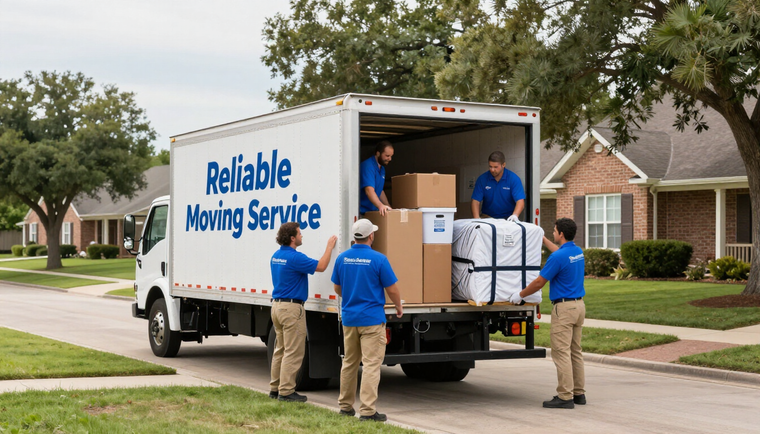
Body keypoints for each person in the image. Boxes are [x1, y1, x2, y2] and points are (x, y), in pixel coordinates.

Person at [332, 219, 403, 421]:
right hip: (371, 319)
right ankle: (367, 411)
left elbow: (337, 288)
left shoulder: (342, 258)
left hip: (349, 319)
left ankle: (345, 407)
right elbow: (392, 289)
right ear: (371, 236)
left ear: (355, 237)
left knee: (349, 363)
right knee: (371, 365)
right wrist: (398, 306)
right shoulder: (379, 259)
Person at [510, 218, 586, 409]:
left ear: (561, 234)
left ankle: (565, 397)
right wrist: (542, 238)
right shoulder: (577, 252)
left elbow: (539, 282)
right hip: (579, 307)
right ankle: (579, 394)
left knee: (561, 353)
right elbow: (559, 253)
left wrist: (519, 295)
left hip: (564, 309)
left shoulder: (558, 258)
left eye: (554, 231)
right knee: (575, 352)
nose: (553, 233)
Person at [269, 222, 337, 403]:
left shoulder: (276, 256)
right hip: (291, 309)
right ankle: (286, 392)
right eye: (299, 234)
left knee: (280, 350)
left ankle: (275, 388)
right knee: (293, 351)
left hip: (276, 307)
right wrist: (329, 247)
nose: (301, 236)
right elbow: (321, 266)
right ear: (292, 238)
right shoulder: (295, 258)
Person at [471, 151, 525, 221]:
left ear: (503, 165)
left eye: (496, 167)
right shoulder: (482, 179)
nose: (492, 170)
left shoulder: (513, 179)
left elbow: (520, 201)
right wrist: (477, 219)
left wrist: (515, 215)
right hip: (487, 217)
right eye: (490, 166)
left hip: (507, 218)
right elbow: (475, 201)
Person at [360, 141, 394, 216]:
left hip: (373, 211)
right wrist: (380, 205)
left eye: (391, 156)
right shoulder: (368, 167)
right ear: (378, 153)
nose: (390, 159)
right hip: (363, 212)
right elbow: (369, 191)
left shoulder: (381, 168)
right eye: (387, 156)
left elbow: (380, 190)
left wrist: (388, 206)